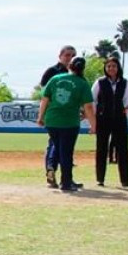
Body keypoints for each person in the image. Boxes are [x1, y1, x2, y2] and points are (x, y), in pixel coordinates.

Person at [36, 56, 95, 192]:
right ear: (82, 69)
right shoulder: (82, 83)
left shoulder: (55, 79)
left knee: (57, 146)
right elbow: (89, 107)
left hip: (52, 120)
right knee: (66, 152)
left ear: (70, 66)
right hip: (69, 122)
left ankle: (51, 166)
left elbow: (44, 99)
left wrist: (40, 117)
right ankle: (66, 182)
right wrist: (93, 125)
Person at [39, 45, 76, 188]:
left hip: (68, 116)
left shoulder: (75, 73)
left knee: (62, 146)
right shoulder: (52, 72)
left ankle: (58, 174)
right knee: (56, 144)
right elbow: (44, 93)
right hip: (54, 115)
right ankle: (54, 173)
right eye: (67, 55)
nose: (69, 58)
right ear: (60, 56)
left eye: (72, 56)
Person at [92, 54, 128, 187]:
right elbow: (93, 100)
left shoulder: (124, 82)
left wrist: (122, 112)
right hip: (103, 119)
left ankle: (125, 180)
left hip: (120, 119)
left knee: (123, 149)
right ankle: (100, 179)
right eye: (108, 66)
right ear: (105, 68)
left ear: (118, 67)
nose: (111, 68)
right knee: (101, 148)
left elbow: (126, 101)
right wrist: (95, 116)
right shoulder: (100, 82)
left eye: (114, 66)